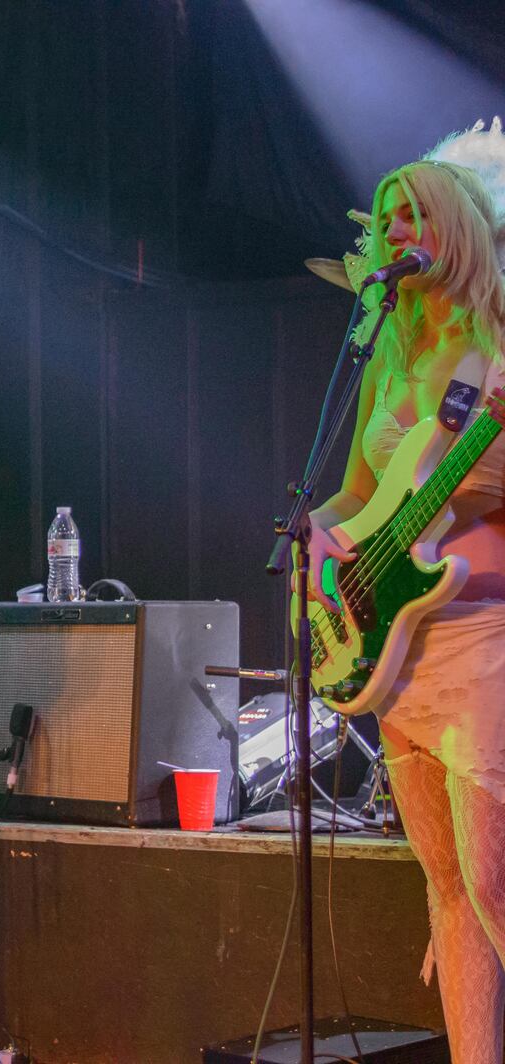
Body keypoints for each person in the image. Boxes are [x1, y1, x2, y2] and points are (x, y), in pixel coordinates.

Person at [310, 157, 505, 1064]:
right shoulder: (390, 347)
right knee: (446, 886)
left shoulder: (496, 335)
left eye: (412, 217)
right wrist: (320, 541)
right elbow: (355, 497)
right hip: (402, 645)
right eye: (384, 222)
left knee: (496, 881)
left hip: (488, 635)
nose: (394, 236)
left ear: (457, 224)